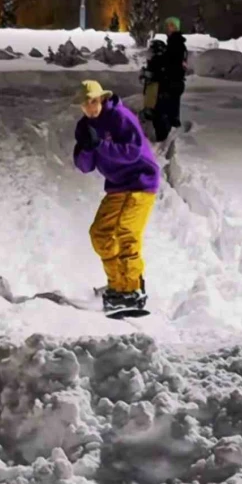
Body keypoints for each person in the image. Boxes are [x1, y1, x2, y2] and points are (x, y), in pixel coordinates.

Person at [72, 80, 160, 313]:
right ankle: (117, 286)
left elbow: (132, 152)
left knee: (126, 232)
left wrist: (100, 144)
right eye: (85, 103)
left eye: (93, 101)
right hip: (117, 186)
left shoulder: (121, 117)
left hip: (141, 181)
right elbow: (84, 166)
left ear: (101, 98)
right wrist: (88, 147)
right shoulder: (84, 127)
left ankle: (133, 289)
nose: (91, 107)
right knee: (100, 234)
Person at [153, 16, 188, 143]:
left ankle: (164, 138)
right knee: (172, 110)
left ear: (177, 27)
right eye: (167, 25)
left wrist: (159, 66)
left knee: (163, 111)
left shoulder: (176, 43)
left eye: (172, 25)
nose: (168, 28)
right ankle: (169, 136)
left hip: (171, 82)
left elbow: (171, 63)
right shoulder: (175, 42)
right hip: (175, 82)